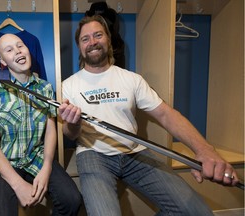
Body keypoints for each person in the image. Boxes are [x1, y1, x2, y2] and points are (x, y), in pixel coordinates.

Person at [58, 15, 240, 216]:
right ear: (79, 46)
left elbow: (165, 114)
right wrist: (73, 124)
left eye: (98, 35)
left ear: (108, 39)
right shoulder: (68, 86)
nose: (92, 42)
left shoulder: (132, 79)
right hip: (94, 155)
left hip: (135, 152)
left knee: (198, 212)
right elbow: (69, 133)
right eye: (85, 39)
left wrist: (204, 150)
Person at [0, 33, 82, 216]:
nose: (17, 51)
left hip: (36, 157)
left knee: (72, 199)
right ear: (2, 60)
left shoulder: (45, 88)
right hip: (5, 161)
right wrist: (18, 185)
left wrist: (47, 167)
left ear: (28, 50)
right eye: (9, 50)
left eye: (20, 46)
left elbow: (51, 129)